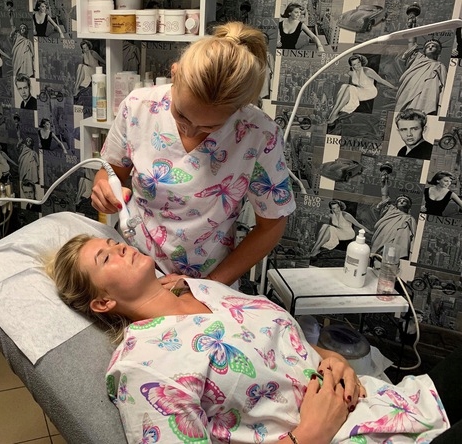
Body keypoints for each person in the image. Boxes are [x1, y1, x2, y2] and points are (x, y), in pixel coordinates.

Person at [47, 234, 453, 444]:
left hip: (383, 404)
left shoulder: (199, 288)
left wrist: (330, 358)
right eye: (106, 258)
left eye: (114, 243)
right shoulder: (144, 368)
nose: (120, 248)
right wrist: (307, 437)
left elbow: (277, 342)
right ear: (102, 302)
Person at [92, 22, 296, 288]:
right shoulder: (138, 107)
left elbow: (271, 225)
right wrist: (103, 187)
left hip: (210, 277)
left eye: (210, 127)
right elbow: (111, 173)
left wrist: (206, 286)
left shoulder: (259, 135)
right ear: (174, 74)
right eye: (181, 115)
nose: (190, 130)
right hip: (134, 262)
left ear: (239, 109)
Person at [327, 54, 395, 125]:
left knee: (350, 88)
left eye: (358, 62)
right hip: (360, 90)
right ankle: (333, 111)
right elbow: (340, 71)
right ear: (352, 66)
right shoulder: (352, 73)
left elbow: (381, 80)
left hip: (370, 92)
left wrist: (393, 87)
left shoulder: (367, 71)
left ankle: (334, 113)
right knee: (344, 86)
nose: (358, 65)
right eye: (354, 64)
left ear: (361, 62)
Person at [395, 37, 446, 115]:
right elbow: (411, 46)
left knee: (424, 107)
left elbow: (444, 83)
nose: (430, 47)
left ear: (438, 51)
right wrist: (413, 34)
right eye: (428, 46)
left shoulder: (440, 65)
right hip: (412, 87)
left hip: (429, 90)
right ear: (424, 50)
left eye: (433, 46)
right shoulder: (418, 59)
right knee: (409, 106)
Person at [371, 194, 417, 259]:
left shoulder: (410, 219)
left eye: (404, 201)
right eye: (399, 201)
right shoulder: (390, 211)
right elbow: (384, 196)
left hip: (400, 241)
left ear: (408, 205)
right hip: (385, 236)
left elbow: (413, 236)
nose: (401, 202)